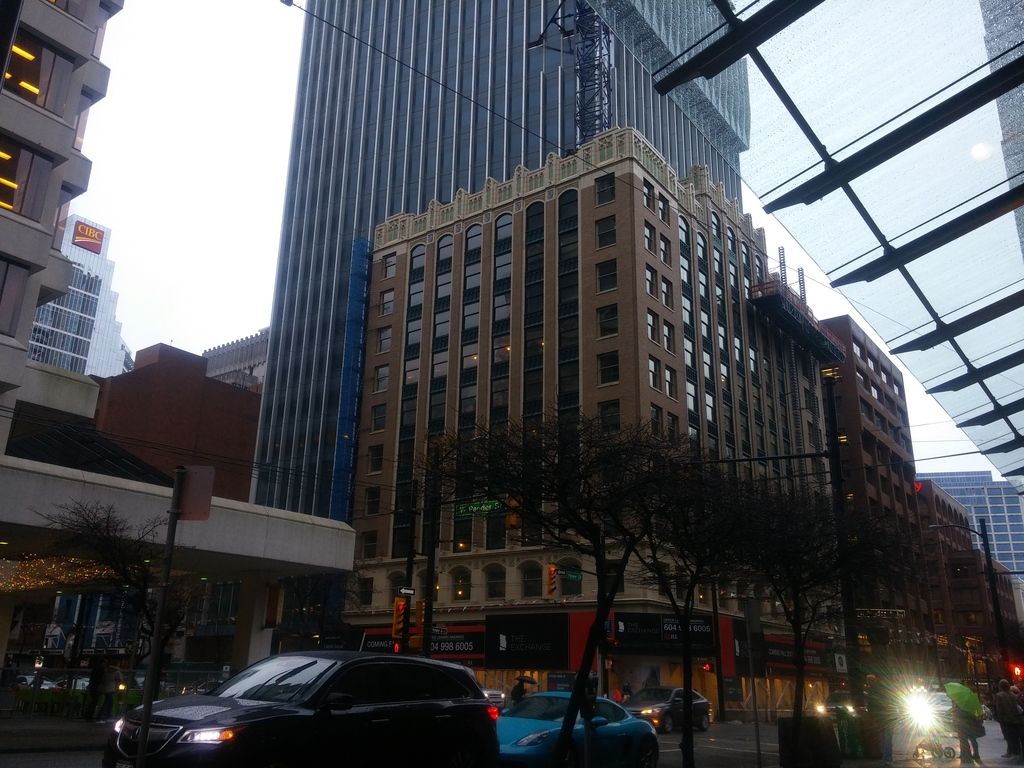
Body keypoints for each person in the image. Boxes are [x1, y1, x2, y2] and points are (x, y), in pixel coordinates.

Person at [866, 675, 897, 766]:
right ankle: (888, 758)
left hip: (881, 717)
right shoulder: (885, 688)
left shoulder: (873, 690)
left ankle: (886, 758)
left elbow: (871, 704)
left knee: (884, 738)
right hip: (889, 716)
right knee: (887, 738)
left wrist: (872, 715)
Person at [951, 696, 985, 764]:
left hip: (964, 725)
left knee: (964, 740)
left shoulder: (961, 705)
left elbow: (960, 714)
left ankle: (967, 754)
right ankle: (973, 754)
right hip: (969, 725)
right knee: (970, 740)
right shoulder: (969, 705)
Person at [996, 679, 1024, 759]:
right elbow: (1020, 705)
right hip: (1018, 719)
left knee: (1011, 738)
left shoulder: (999, 696)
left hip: (1007, 720)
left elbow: (999, 709)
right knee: (1019, 737)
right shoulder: (1014, 695)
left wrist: (1000, 720)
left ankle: (1015, 753)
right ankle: (1019, 754)